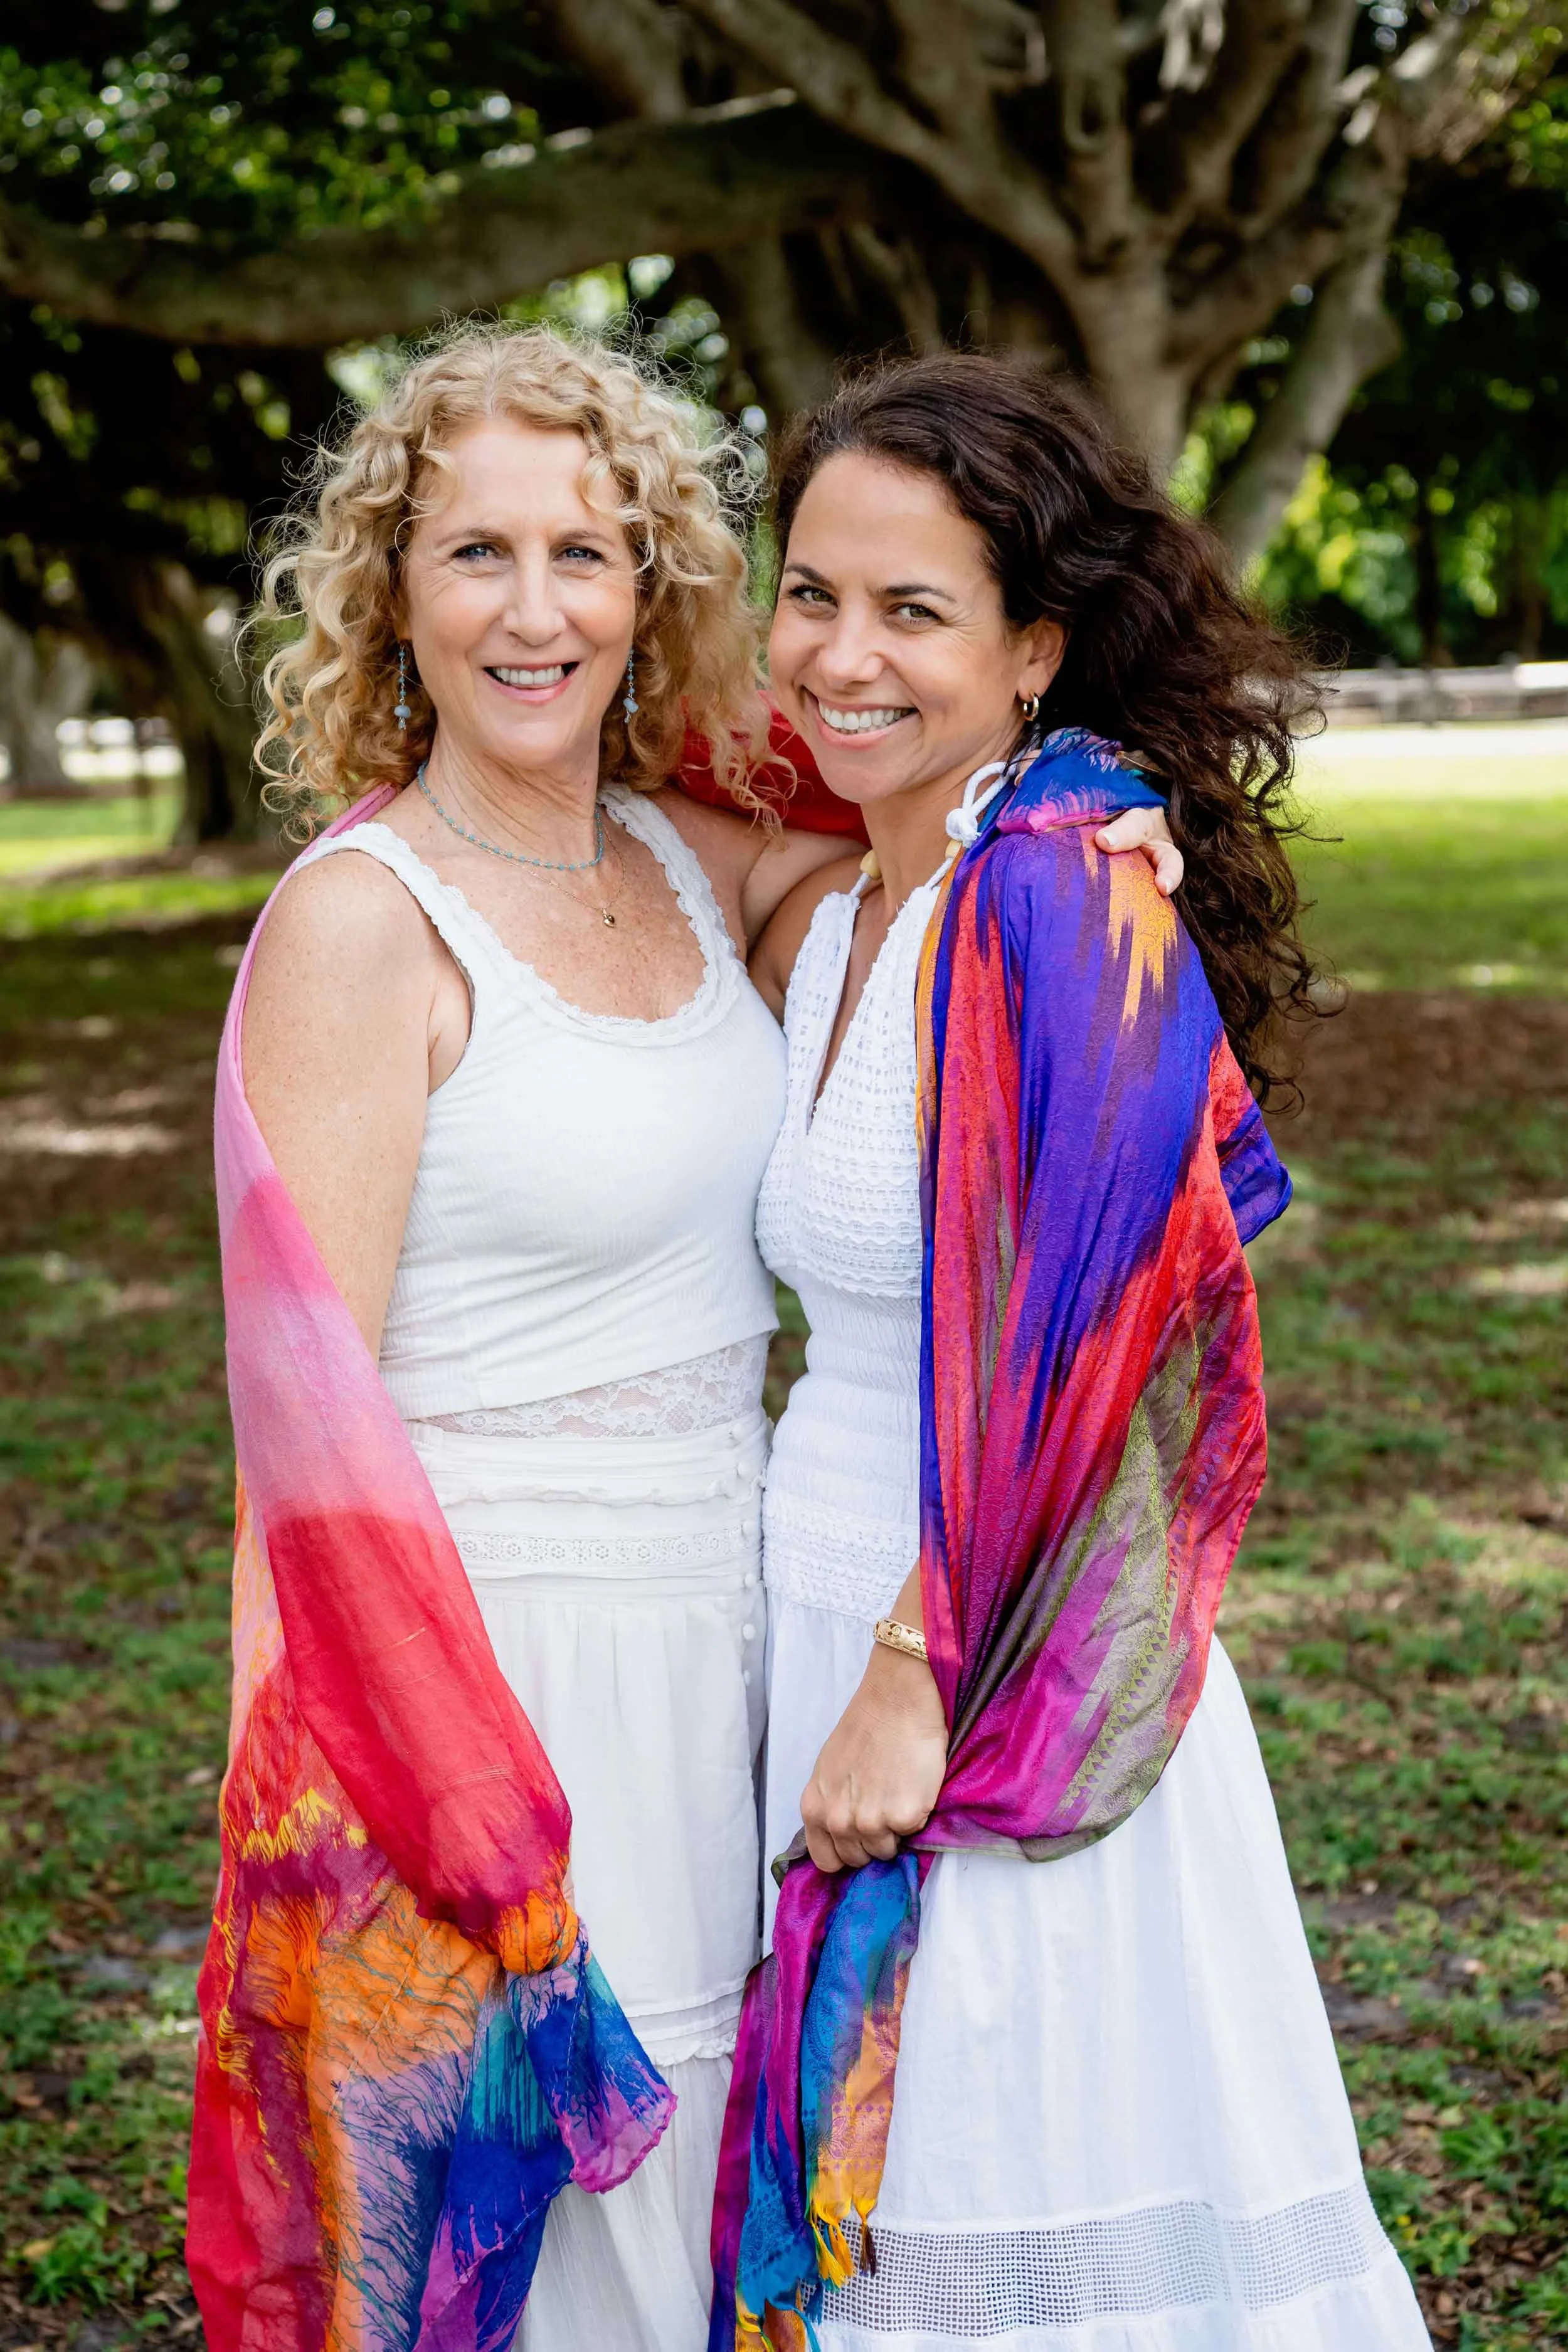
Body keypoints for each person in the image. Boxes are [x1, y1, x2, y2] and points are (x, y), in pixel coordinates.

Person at [186, 318, 1184, 2352]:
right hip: (495, 1676)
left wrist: (1100, 816)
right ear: (391, 590)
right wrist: (359, 1831)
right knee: (558, 2230)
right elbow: (302, 1446)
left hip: (741, 1638)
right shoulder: (362, 922)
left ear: (654, 586)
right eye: (474, 553)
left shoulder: (692, 858)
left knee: (741, 2208)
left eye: (585, 550)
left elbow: (956, 886)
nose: (533, 609)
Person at [713, 356, 1431, 2350]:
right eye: (809, 592)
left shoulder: (1054, 881)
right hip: (828, 1588)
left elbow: (1098, 1333)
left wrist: (909, 1676)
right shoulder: (865, 892)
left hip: (996, 1645)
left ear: (1034, 649)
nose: (841, 654)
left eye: (913, 610)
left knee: (1007, 2202)